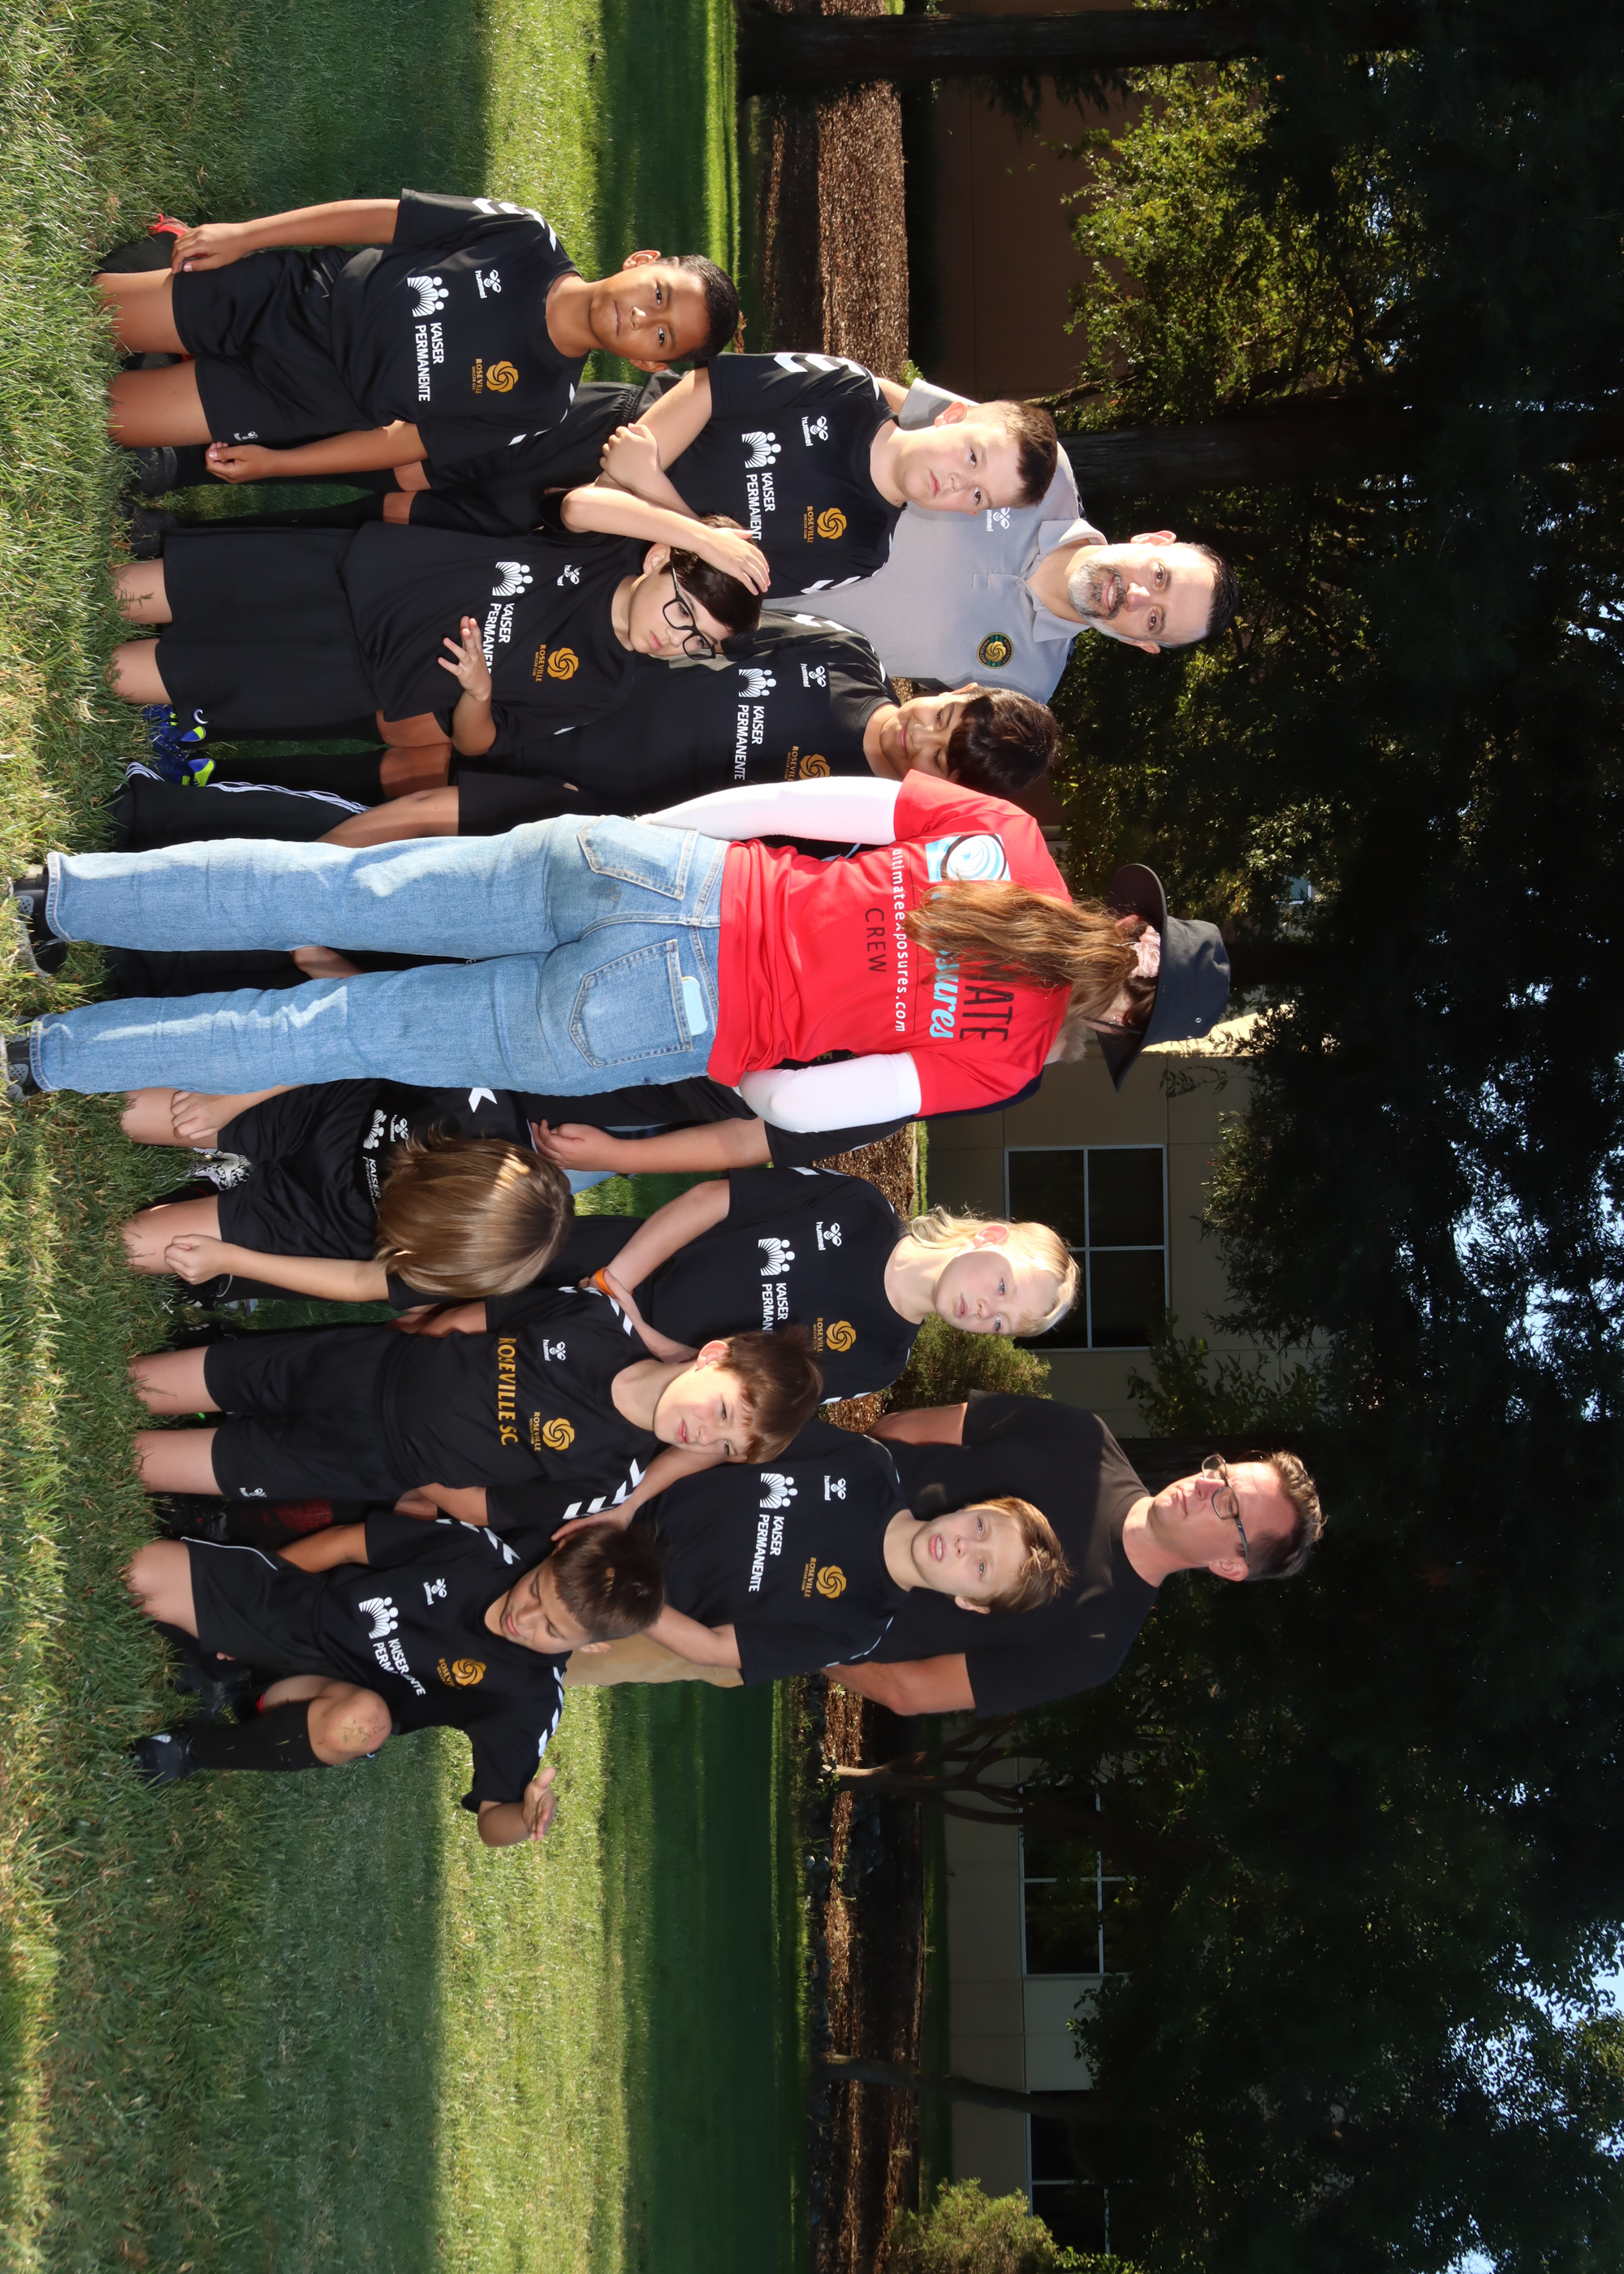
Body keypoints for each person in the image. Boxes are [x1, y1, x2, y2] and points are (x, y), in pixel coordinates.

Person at [6, 776, 1212, 1121]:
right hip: (670, 1016)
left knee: (337, 886)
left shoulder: (1002, 836)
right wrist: (739, 1052)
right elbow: (799, 1109)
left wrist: (653, 843)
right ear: (1122, 1020)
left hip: (665, 869)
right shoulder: (1001, 1063)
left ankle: (57, 896)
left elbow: (790, 806)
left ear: (1131, 925)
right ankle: (43, 1059)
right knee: (333, 1033)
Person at [102, 193, 739, 479]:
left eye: (662, 337)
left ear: (644, 363)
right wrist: (246, 235)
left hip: (299, 398)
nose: (644, 318)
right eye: (659, 295)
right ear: (641, 261)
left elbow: (402, 443)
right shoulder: (526, 236)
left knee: (108, 416)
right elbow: (383, 220)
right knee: (95, 314)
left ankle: (170, 325)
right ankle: (168, 268)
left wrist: (279, 461)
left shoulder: (541, 404)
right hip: (296, 298)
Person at [122, 1508, 663, 1844]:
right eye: (536, 1591)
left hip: (315, 1697)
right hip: (295, 1615)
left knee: (363, 1722)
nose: (524, 1618)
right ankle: (221, 1663)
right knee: (133, 1572)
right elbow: (346, 1543)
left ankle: (192, 1749)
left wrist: (524, 1819)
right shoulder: (478, 1553)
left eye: (552, 1628)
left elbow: (491, 1821)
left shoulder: (529, 1698)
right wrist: (260, 1590)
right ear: (555, 1553)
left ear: (591, 1645)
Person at [102, 491, 766, 752]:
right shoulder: (610, 548)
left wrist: (478, 693)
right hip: (350, 573)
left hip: (353, 674)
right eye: (683, 609)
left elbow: (478, 744)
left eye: (697, 641)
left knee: (143, 675)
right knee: (142, 592)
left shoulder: (605, 687)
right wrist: (700, 536)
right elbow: (578, 507)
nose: (675, 636)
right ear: (659, 558)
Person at [321, 618, 1062, 844]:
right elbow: (707, 630)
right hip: (573, 704)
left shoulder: (853, 825)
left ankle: (268, 834)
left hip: (580, 802)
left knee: (402, 803)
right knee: (394, 721)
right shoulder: (845, 653)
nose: (919, 737)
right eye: (943, 718)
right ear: (961, 690)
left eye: (939, 758)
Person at [820, 1394, 1323, 1715]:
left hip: (810, 1598)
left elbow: (911, 1691)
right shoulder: (1086, 1438)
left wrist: (804, 1636)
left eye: (1229, 1505)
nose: (1205, 1485)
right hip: (809, 1488)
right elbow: (904, 1429)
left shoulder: (1095, 1646)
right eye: (1222, 1473)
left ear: (1229, 1565)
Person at [487, 1419, 1068, 1684]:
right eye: (982, 1527)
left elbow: (718, 1648)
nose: (964, 1544)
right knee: (467, 1510)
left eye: (981, 1567)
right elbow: (726, 1442)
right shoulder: (867, 1465)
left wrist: (626, 1603)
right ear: (976, 1506)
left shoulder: (859, 1627)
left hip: (602, 1596)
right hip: (609, 1500)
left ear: (971, 1603)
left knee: (481, 1621)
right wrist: (625, 1505)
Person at [764, 376, 1237, 699]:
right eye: (1159, 577)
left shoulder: (1026, 686)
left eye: (1155, 620)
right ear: (1152, 542)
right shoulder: (1044, 471)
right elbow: (884, 404)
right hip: (756, 496)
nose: (1137, 597)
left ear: (1141, 644)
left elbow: (915, 729)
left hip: (734, 620)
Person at [126, 1294, 823, 1507]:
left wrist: (415, 1465)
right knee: (142, 1383)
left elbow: (489, 1507)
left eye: (725, 1447)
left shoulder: (612, 1477)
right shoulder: (596, 1319)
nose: (704, 1435)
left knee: (138, 1464)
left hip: (363, 1462)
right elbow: (473, 1318)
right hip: (357, 1368)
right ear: (713, 1356)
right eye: (722, 1412)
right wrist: (405, 1350)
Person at [542, 1184, 1076, 1402]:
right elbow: (715, 1200)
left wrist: (641, 1336)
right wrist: (615, 1284)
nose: (986, 1310)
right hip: (610, 1260)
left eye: (1001, 1323)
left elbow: (736, 1393)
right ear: (989, 1237)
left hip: (621, 1364)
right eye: (1002, 1286)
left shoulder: (877, 1364)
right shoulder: (860, 1208)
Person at [594, 357, 1058, 593]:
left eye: (978, 496)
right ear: (952, 416)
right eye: (973, 458)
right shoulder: (850, 389)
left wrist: (641, 486)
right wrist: (613, 484)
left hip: (620, 551)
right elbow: (710, 388)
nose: (959, 483)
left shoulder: (862, 553)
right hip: (617, 432)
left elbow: (721, 579)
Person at [119, 1094, 571, 1305]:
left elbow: (359, 1281)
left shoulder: (469, 1260)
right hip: (319, 1111)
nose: (398, 1250)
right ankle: (231, 1161)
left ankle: (217, 1188)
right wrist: (232, 1102)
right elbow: (347, 1037)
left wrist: (231, 1259)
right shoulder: (465, 1100)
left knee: (129, 1248)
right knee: (125, 1109)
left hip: (322, 1221)